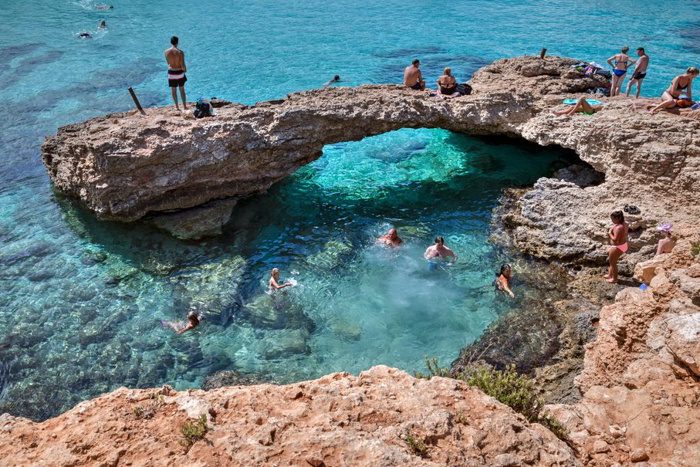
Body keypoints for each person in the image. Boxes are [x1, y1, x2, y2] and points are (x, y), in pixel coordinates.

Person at [165, 36, 188, 111]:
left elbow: (168, 63)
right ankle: (184, 106)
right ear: (177, 42)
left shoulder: (166, 52)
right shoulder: (180, 52)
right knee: (182, 90)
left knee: (173, 90)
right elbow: (182, 65)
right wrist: (185, 70)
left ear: (171, 42)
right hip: (179, 72)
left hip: (171, 72)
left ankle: (177, 107)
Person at [605, 210, 629, 283]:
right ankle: (610, 275)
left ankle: (614, 279)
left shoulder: (619, 227)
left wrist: (609, 234)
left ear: (618, 218)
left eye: (613, 219)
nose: (612, 220)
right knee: (611, 261)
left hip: (618, 246)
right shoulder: (623, 223)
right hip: (622, 245)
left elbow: (616, 240)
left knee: (613, 263)